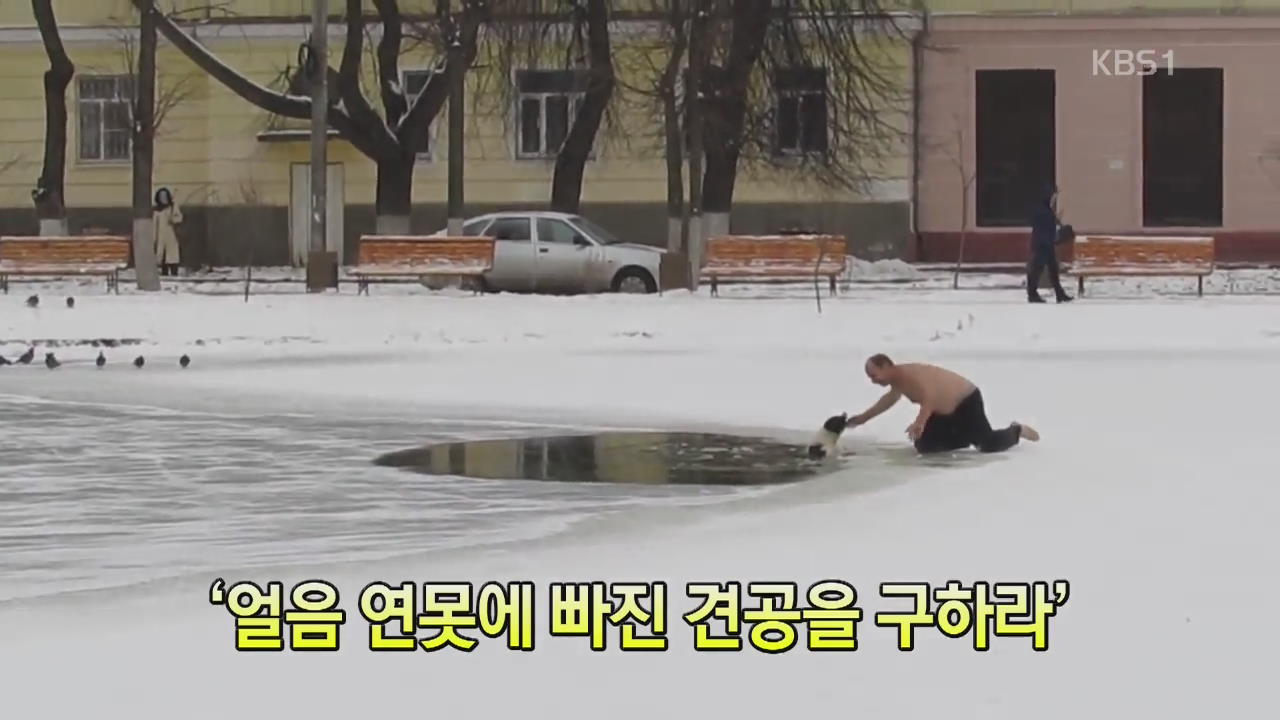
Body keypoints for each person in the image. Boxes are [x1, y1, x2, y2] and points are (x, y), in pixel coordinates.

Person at [843, 354, 1039, 454]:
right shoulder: (898, 381)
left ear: (886, 367)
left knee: (986, 445)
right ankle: (964, 436)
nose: (872, 380)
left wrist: (920, 422)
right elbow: (888, 400)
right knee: (926, 446)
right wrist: (862, 419)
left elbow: (930, 397)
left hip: (966, 400)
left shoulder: (909, 374)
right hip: (944, 411)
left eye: (874, 375)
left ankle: (1016, 430)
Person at [1027, 183, 1072, 303]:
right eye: (1053, 195)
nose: (1054, 198)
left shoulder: (1046, 209)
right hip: (1042, 244)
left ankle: (1059, 293)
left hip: (1047, 243)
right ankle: (1032, 294)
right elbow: (1043, 228)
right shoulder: (1042, 210)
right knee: (1037, 269)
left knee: (1053, 269)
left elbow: (1050, 227)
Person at [154, 187, 184, 277]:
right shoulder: (156, 211)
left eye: (165, 196)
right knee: (163, 257)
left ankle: (174, 274)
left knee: (173, 257)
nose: (163, 198)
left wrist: (173, 219)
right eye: (161, 196)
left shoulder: (173, 207)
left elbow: (179, 218)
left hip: (172, 235)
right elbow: (155, 225)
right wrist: (154, 238)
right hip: (161, 236)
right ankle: (165, 274)